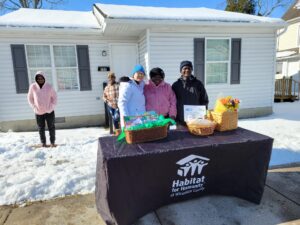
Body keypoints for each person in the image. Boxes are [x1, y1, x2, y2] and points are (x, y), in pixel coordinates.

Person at [172, 60, 209, 125]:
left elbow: (204, 100)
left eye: (189, 68)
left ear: (191, 70)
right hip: (180, 119)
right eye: (184, 68)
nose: (187, 70)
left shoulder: (198, 84)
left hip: (196, 119)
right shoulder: (176, 85)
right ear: (181, 71)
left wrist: (203, 112)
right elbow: (172, 102)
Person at [27, 71, 57, 147]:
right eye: (38, 78)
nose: (40, 79)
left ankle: (52, 142)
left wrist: (51, 107)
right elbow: (30, 98)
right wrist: (34, 107)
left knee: (51, 127)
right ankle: (43, 143)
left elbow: (55, 98)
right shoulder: (33, 87)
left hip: (49, 111)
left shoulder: (49, 87)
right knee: (41, 128)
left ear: (44, 78)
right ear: (36, 79)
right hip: (38, 112)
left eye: (41, 78)